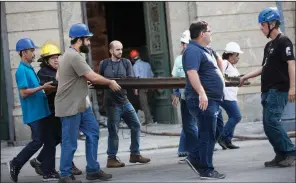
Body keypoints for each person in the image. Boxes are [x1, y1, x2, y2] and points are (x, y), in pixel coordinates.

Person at [55, 23, 121, 183]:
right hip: (70, 105)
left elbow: (59, 77)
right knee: (70, 141)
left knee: (93, 131)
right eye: (87, 39)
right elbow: (93, 76)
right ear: (80, 40)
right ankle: (64, 175)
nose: (89, 43)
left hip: (80, 104)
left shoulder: (66, 55)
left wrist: (80, 82)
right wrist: (110, 82)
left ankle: (92, 170)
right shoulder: (74, 56)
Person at [240, 7, 296, 167]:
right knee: (267, 124)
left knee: (272, 121)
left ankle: (290, 151)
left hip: (279, 89)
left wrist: (293, 88)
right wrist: (245, 76)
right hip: (267, 90)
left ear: (272, 24)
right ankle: (280, 154)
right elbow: (263, 67)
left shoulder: (284, 41)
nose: (260, 28)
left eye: (263, 24)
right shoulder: (269, 45)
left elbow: (292, 63)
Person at [29, 42, 82, 178]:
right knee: (61, 139)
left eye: (58, 57)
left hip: (60, 109)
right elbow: (53, 86)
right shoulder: (43, 73)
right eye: (53, 58)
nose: (56, 60)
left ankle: (40, 161)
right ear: (46, 60)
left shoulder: (59, 70)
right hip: (50, 112)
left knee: (59, 138)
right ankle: (64, 165)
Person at [8, 38, 57, 182]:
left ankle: (48, 171)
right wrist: (43, 87)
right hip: (34, 114)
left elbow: (35, 91)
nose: (34, 53)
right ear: (24, 53)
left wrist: (48, 89)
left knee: (50, 141)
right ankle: (16, 163)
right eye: (31, 51)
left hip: (43, 111)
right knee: (37, 142)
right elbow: (24, 93)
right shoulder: (21, 71)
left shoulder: (29, 68)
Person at [182, 21, 226, 179]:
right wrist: (202, 93)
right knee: (207, 133)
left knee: (217, 129)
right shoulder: (192, 50)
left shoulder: (204, 50)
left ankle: (194, 158)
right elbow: (192, 73)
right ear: (202, 34)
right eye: (209, 31)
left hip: (213, 100)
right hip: (203, 99)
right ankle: (206, 169)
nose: (211, 33)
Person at [99, 40, 151, 168]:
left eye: (121, 49)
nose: (120, 52)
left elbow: (131, 79)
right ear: (111, 51)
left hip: (124, 101)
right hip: (111, 103)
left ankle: (135, 154)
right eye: (117, 49)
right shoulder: (104, 64)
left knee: (136, 125)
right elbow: (99, 80)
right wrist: (109, 83)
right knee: (114, 131)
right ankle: (111, 158)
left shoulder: (126, 62)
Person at [171, 30, 198, 164]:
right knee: (188, 126)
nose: (183, 46)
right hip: (184, 98)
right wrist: (176, 93)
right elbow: (175, 77)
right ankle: (194, 152)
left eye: (185, 43)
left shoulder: (197, 56)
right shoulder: (178, 60)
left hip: (196, 96)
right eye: (182, 44)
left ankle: (198, 152)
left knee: (194, 125)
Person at [216, 42, 243, 150]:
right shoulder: (225, 63)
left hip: (231, 95)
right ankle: (222, 137)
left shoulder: (231, 65)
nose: (238, 58)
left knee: (233, 117)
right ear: (231, 55)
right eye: (237, 55)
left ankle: (227, 140)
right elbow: (218, 74)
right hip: (226, 96)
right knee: (237, 116)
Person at [130, 49, 154, 125]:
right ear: (139, 56)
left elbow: (137, 78)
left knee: (144, 104)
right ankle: (151, 117)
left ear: (132, 59)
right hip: (150, 85)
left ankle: (149, 120)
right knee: (149, 102)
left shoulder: (135, 66)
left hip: (142, 87)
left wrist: (136, 89)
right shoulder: (147, 64)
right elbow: (152, 76)